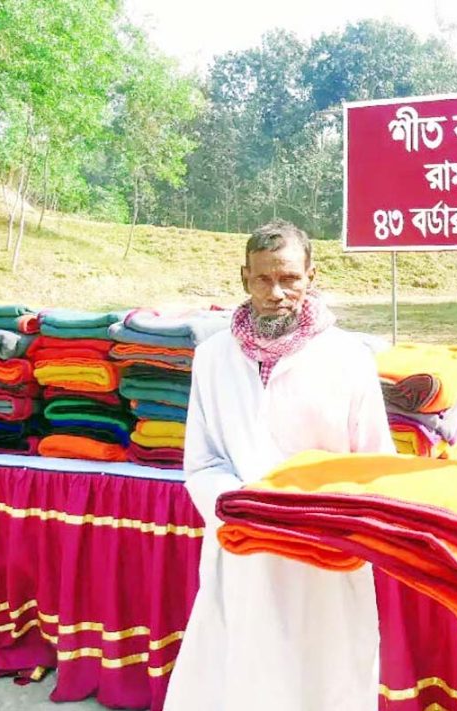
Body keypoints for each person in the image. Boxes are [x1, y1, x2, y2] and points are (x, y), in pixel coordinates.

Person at [164, 219, 394, 711]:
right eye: (263, 279)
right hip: (243, 551)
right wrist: (247, 510)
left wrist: (315, 519)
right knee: (242, 677)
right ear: (243, 277)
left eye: (289, 278)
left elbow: (377, 465)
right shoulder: (212, 357)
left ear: (312, 275)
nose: (276, 292)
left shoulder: (348, 358)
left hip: (324, 557)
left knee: (325, 679)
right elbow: (202, 463)